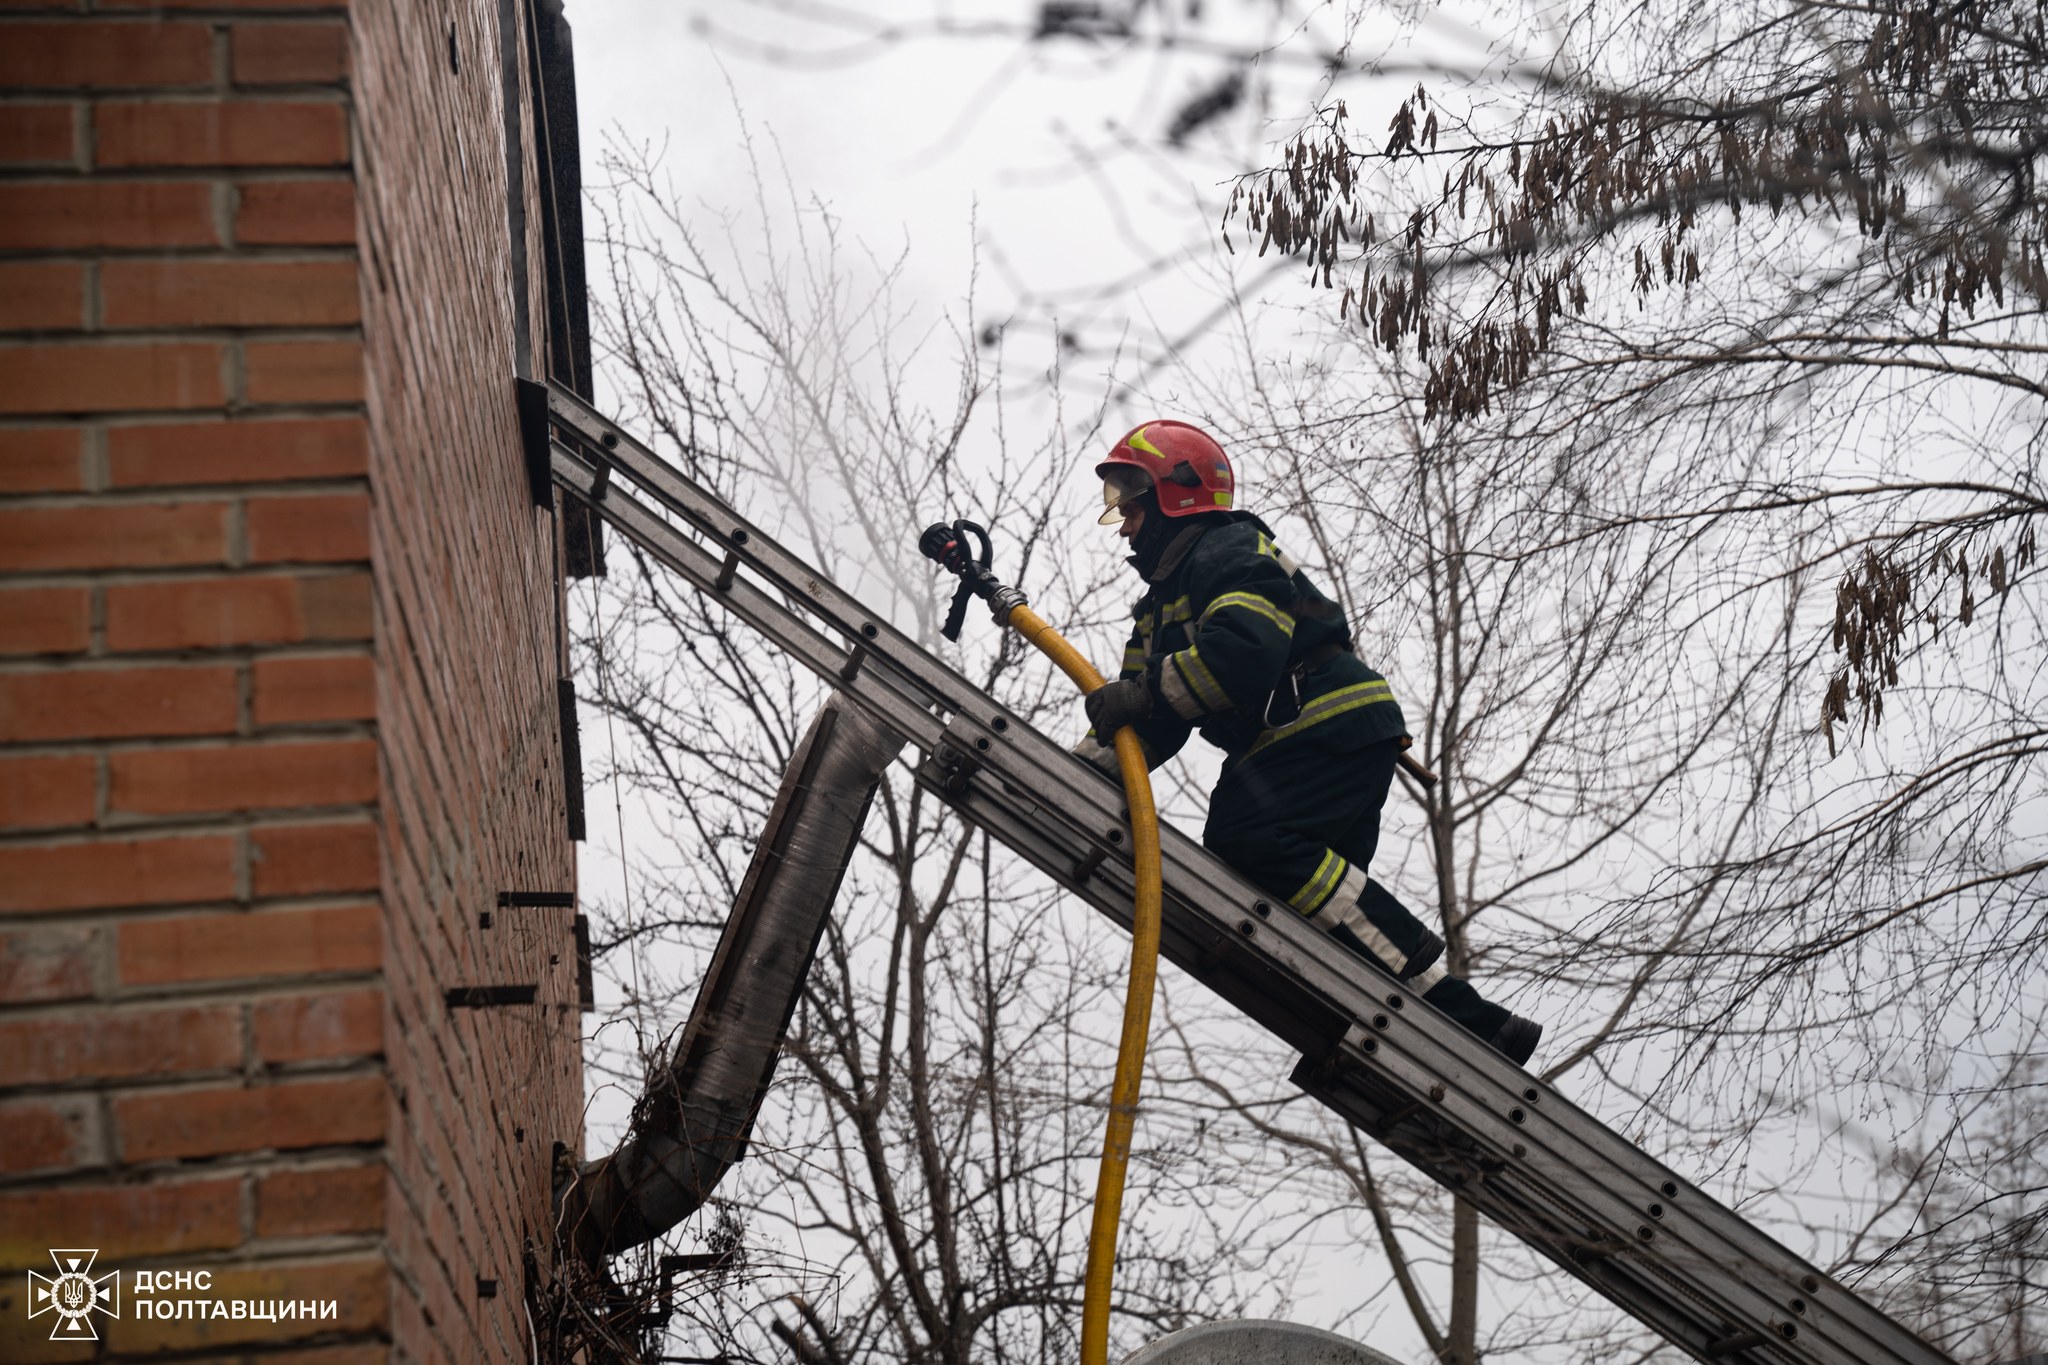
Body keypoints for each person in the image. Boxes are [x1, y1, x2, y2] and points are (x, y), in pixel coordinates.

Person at [1076, 420, 1542, 1065]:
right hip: (1323, 735)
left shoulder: (1226, 547)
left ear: (1172, 493)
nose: (1123, 526)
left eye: (1129, 505)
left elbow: (1242, 652)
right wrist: (1079, 772)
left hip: (1322, 723)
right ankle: (1475, 1026)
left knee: (1249, 843)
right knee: (1328, 916)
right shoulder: (1161, 604)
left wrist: (1146, 693)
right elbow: (1146, 723)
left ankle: (1458, 1015)